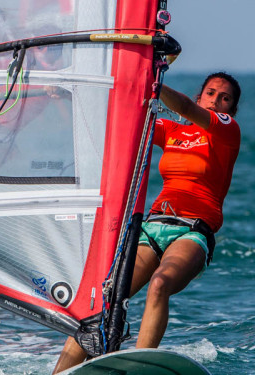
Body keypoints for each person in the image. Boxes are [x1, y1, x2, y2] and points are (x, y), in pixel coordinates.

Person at [52, 72, 242, 373]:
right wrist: (66, 98)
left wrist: (152, 81)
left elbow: (185, 108)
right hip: (153, 227)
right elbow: (114, 125)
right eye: (211, 93)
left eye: (225, 98)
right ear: (200, 95)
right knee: (107, 297)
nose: (216, 100)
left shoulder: (227, 132)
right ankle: (61, 372)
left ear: (230, 110)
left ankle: (139, 366)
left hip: (192, 231)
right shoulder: (172, 131)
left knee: (160, 284)